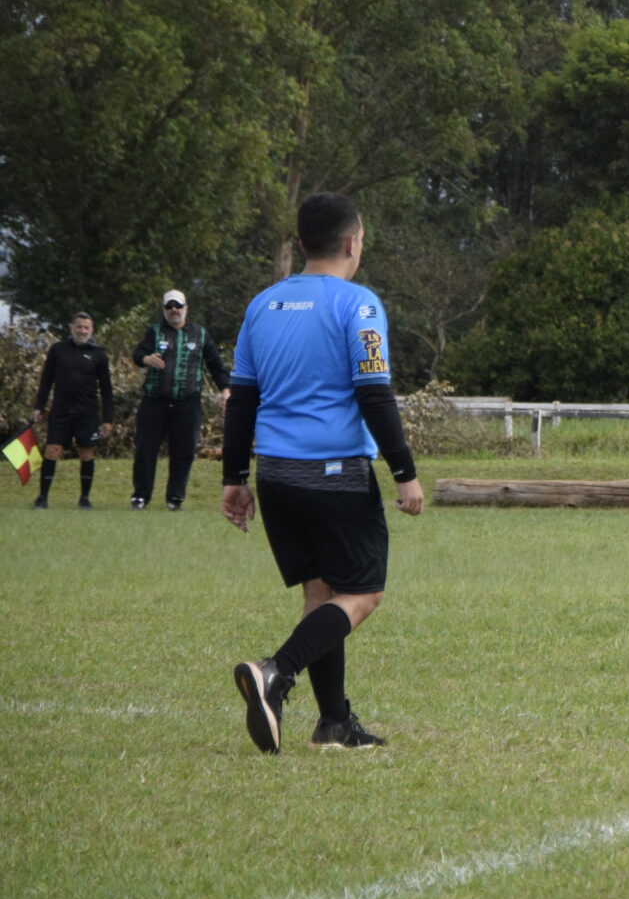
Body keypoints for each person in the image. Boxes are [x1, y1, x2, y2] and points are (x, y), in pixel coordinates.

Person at [223, 192, 425, 753]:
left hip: (275, 475)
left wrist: (234, 477)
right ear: (352, 242)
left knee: (322, 593)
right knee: (363, 593)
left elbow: (241, 399)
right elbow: (374, 394)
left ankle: (334, 723)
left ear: (304, 242)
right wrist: (404, 472)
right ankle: (275, 672)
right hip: (335, 474)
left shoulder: (263, 305)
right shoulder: (358, 305)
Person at [129, 289, 231, 510]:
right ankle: (140, 496)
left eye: (178, 306)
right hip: (155, 401)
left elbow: (216, 365)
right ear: (164, 309)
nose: (174, 310)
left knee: (183, 452)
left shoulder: (200, 334)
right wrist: (146, 359)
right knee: (146, 449)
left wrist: (225, 389)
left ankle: (175, 498)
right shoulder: (154, 332)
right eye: (169, 306)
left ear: (186, 308)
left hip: (187, 403)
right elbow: (137, 354)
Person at [30, 312, 114, 509]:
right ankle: (42, 497)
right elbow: (46, 380)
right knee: (52, 450)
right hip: (61, 411)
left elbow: (106, 389)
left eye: (86, 327)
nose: (82, 331)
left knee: (86, 453)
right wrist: (39, 407)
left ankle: (84, 498)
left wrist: (108, 419)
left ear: (92, 330)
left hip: (87, 412)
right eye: (79, 327)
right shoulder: (57, 350)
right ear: (71, 328)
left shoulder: (99, 355)